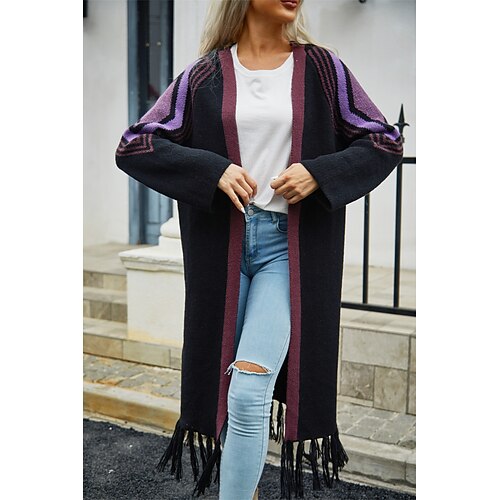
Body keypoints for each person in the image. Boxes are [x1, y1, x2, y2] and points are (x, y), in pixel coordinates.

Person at [115, 1, 403, 499]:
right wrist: (213, 170)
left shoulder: (323, 69)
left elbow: (383, 140)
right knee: (223, 394)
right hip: (222, 252)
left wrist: (319, 173)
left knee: (248, 392)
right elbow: (136, 145)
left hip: (285, 251)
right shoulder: (205, 75)